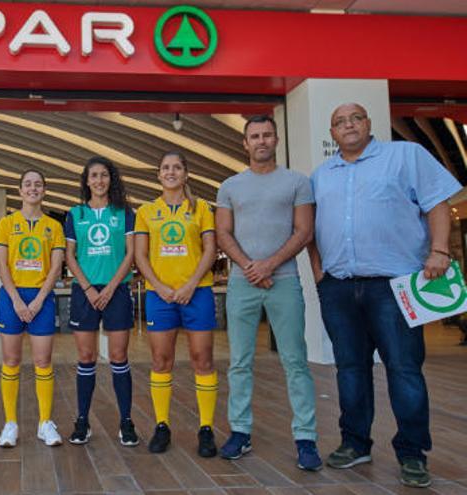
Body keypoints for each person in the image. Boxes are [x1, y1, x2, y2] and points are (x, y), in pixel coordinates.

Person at [309, 103, 461, 488]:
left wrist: (439, 250)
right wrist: (318, 273)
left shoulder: (405, 155)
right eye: (339, 121)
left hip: (394, 286)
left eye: (355, 118)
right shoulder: (322, 174)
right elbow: (309, 227)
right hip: (340, 286)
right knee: (350, 369)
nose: (348, 126)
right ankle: (355, 441)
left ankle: (412, 452)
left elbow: (437, 204)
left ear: (368, 123)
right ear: (332, 132)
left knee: (404, 369)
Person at [215, 115, 321, 470]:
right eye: (254, 136)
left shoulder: (297, 182)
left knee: (295, 360)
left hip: (285, 280)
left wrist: (269, 264)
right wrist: (250, 266)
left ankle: (306, 438)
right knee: (239, 362)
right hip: (242, 283)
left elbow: (304, 231)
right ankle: (240, 431)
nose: (261, 141)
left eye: (267, 135)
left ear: (276, 140)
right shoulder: (230, 186)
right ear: (244, 143)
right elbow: (224, 234)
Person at [134, 150, 219, 456]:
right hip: (161, 296)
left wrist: (190, 284)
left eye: (177, 168)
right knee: (161, 360)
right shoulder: (146, 211)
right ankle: (161, 425)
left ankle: (206, 428)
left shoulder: (202, 208)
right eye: (165, 167)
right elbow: (140, 256)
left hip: (197, 292)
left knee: (202, 359)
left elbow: (210, 250)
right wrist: (159, 287)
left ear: (186, 174)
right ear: (158, 175)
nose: (171, 172)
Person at [64, 157, 138, 447]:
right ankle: (82, 421)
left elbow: (130, 254)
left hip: (116, 290)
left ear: (111, 179)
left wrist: (109, 287)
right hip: (85, 291)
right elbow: (70, 255)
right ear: (86, 181)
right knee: (86, 358)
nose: (99, 180)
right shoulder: (75, 214)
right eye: (93, 176)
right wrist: (88, 288)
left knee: (119, 357)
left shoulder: (124, 212)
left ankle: (126, 421)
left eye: (104, 175)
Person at [0, 170, 66, 448]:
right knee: (11, 361)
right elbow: (2, 265)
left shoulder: (53, 226)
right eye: (28, 184)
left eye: (38, 184)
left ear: (44, 190)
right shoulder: (6, 223)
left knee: (43, 361)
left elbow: (56, 267)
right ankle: (10, 423)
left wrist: (37, 301)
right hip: (12, 298)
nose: (33, 189)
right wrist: (16, 300)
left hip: (42, 298)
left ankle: (44, 423)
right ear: (20, 190)